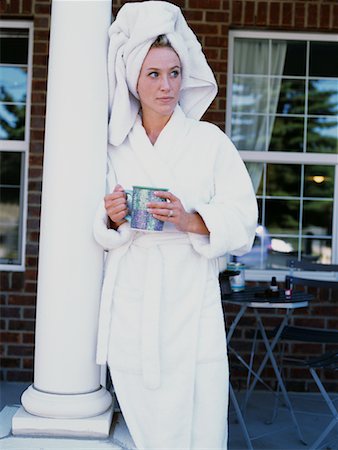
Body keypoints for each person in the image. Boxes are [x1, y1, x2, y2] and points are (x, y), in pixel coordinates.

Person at [93, 2, 258, 449]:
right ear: (133, 78)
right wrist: (112, 216)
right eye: (153, 74)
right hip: (132, 296)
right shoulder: (113, 147)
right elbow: (95, 226)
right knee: (147, 424)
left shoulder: (209, 142)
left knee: (199, 418)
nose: (166, 85)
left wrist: (191, 219)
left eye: (174, 72)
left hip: (189, 299)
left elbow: (244, 219)